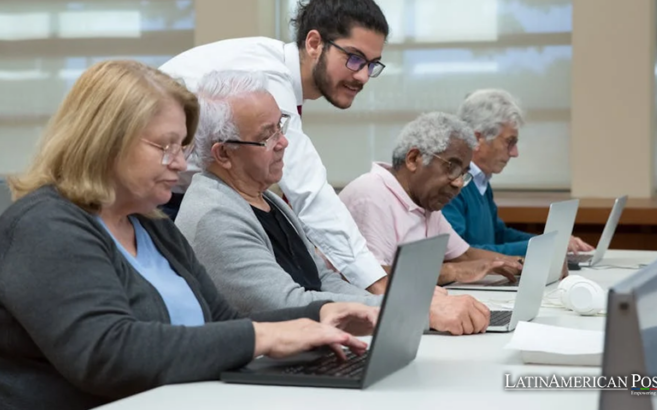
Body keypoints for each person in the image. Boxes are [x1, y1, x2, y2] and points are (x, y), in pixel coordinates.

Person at [0, 60, 379, 410]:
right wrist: (261, 339)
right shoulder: (44, 228)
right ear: (105, 141)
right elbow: (107, 354)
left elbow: (222, 321)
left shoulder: (152, 225)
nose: (180, 162)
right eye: (165, 146)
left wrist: (318, 314)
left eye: (182, 146)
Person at [174, 70, 491, 335]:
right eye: (267, 135)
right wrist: (412, 311)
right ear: (224, 154)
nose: (283, 142)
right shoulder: (213, 216)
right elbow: (287, 303)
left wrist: (405, 303)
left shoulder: (268, 200)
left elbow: (322, 278)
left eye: (280, 126)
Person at [159, 0, 390, 294]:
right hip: (148, 202)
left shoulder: (277, 72)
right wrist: (381, 286)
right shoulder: (264, 77)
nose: (363, 76)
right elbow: (310, 193)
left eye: (372, 64)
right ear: (314, 43)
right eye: (354, 59)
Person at [340, 113, 525, 286]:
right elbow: (373, 280)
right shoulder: (371, 196)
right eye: (452, 168)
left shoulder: (424, 201)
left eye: (463, 174)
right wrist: (451, 271)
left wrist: (519, 265)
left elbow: (465, 255)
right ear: (413, 159)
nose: (459, 183)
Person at [443, 89, 594, 256]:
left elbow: (499, 235)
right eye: (509, 142)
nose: (515, 153)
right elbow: (462, 253)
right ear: (478, 139)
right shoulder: (452, 184)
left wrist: (550, 241)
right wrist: (543, 247)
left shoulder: (480, 180)